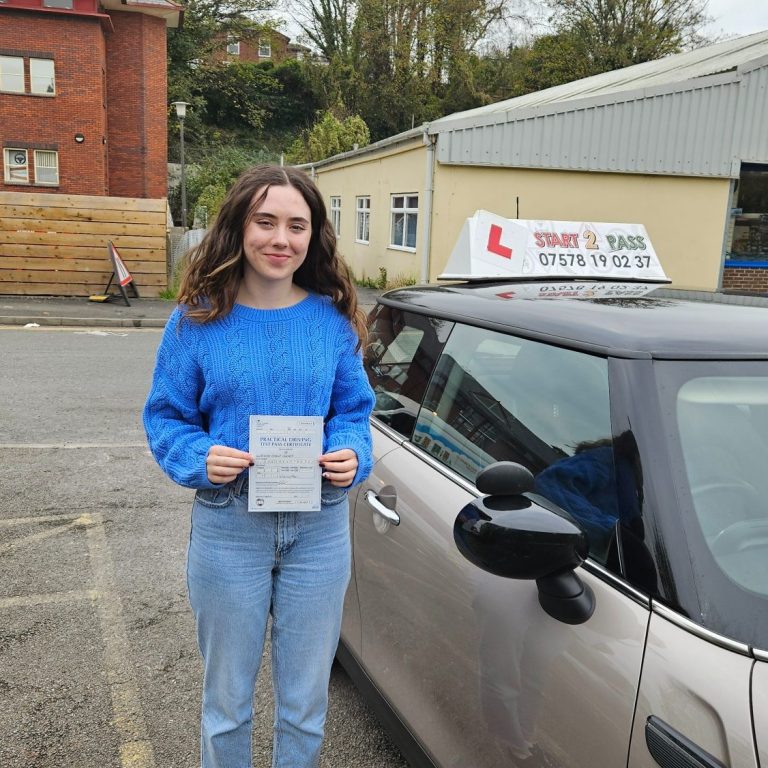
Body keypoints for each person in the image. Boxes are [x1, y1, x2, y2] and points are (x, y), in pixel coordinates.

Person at [143, 164, 375, 768]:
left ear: (313, 236)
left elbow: (354, 411)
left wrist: (354, 452)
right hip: (229, 528)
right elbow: (165, 416)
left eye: (297, 225)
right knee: (227, 705)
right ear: (238, 228)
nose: (281, 239)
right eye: (265, 221)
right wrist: (197, 456)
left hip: (319, 528)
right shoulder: (196, 318)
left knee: (304, 704)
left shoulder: (331, 318)